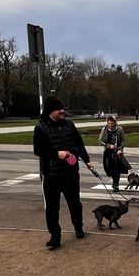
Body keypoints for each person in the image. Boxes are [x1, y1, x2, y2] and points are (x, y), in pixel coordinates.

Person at [33, 96, 95, 250]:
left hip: (71, 173)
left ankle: (78, 227)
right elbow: (38, 150)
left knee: (75, 203)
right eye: (58, 109)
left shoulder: (69, 124)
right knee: (52, 208)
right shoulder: (40, 129)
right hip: (52, 175)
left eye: (62, 108)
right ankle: (55, 236)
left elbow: (79, 144)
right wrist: (56, 154)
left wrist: (87, 160)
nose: (62, 111)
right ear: (50, 111)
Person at [99, 115, 129, 192]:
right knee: (108, 167)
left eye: (112, 123)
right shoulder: (104, 129)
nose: (110, 125)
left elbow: (122, 141)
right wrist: (108, 146)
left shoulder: (119, 129)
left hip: (117, 151)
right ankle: (114, 178)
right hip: (107, 152)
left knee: (116, 169)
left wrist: (121, 150)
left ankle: (116, 184)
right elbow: (100, 140)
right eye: (109, 123)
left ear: (115, 122)